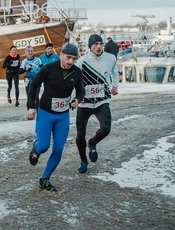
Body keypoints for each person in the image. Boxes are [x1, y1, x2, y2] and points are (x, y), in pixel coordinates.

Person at [27, 43, 84, 191]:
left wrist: (77, 100)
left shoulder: (77, 72)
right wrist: (31, 107)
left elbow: (81, 91)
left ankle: (45, 179)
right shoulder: (48, 69)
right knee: (44, 146)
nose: (70, 61)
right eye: (68, 57)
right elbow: (34, 85)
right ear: (61, 55)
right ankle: (36, 148)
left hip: (63, 116)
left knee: (58, 149)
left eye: (74, 58)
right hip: (46, 113)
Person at [74, 34, 119, 174]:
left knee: (106, 129)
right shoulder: (82, 61)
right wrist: (73, 98)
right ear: (90, 46)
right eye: (96, 44)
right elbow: (75, 81)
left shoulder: (111, 58)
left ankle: (92, 143)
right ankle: (83, 161)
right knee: (80, 135)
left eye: (101, 44)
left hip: (102, 100)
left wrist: (115, 86)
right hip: (85, 103)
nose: (99, 46)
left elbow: (114, 72)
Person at [19, 46, 43, 110]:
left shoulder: (38, 60)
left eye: (31, 51)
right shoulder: (24, 61)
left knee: (36, 96)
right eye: (29, 51)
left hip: (37, 80)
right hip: (28, 80)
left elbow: (42, 69)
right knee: (29, 97)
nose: (30, 52)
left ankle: (38, 113)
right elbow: (19, 72)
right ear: (26, 52)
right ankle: (29, 112)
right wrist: (26, 69)